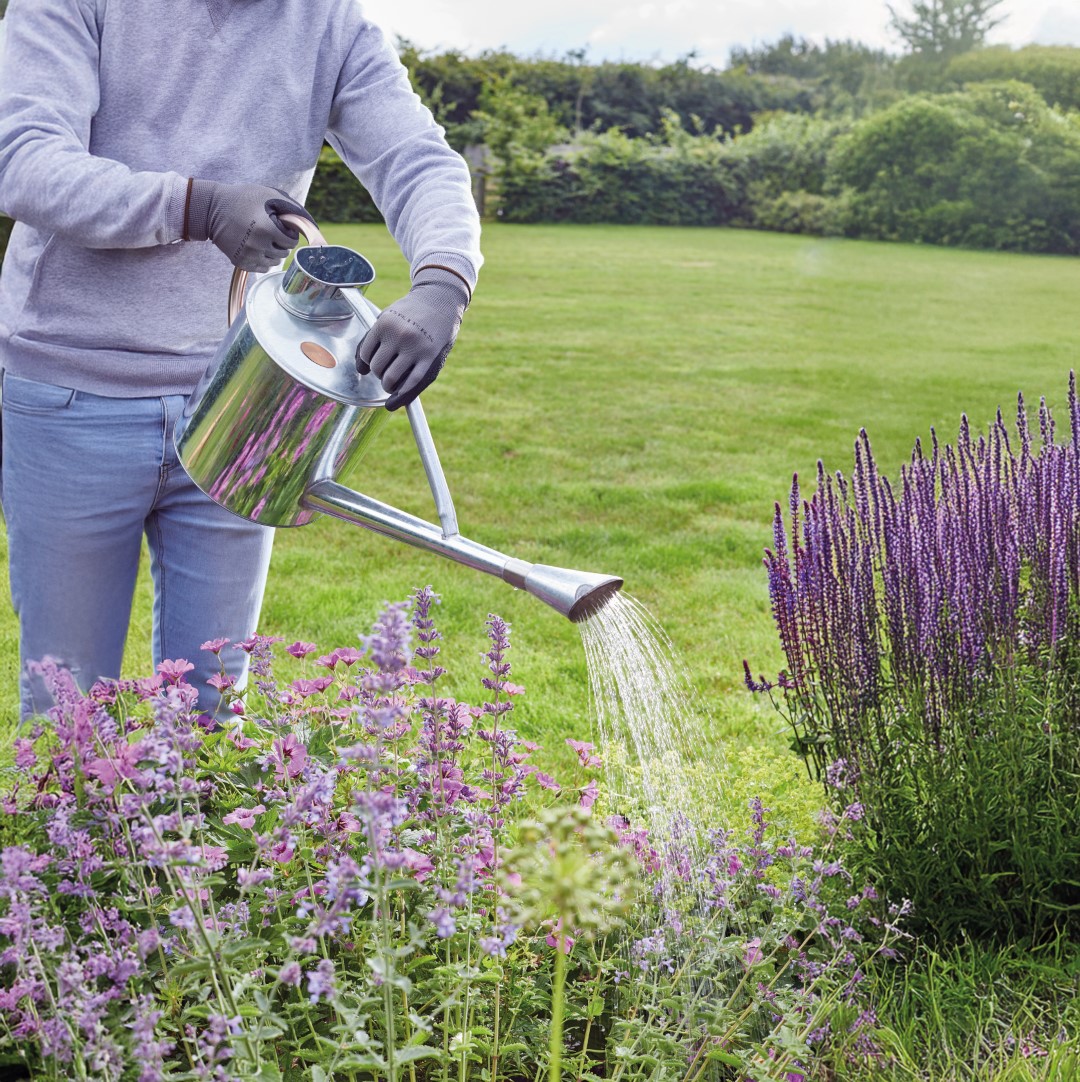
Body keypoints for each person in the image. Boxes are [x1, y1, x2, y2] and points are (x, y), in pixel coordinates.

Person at [0, 0, 481, 718]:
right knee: (67, 709)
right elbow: (25, 160)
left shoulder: (329, 21)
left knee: (214, 710)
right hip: (70, 394)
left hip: (241, 396)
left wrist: (444, 280)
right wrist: (196, 206)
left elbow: (414, 157)